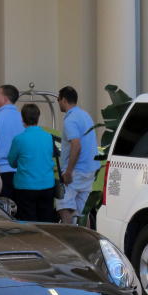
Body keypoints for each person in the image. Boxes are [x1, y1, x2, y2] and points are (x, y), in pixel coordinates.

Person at [56, 86, 100, 224]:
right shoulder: (85, 115)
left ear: (63, 100)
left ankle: (70, 239)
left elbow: (76, 145)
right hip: (90, 169)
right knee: (81, 212)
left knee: (63, 206)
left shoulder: (70, 119)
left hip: (77, 171)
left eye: (58, 99)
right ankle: (83, 239)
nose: (58, 102)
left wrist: (68, 171)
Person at [7, 104, 55, 222]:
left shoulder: (19, 139)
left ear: (22, 119)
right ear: (38, 117)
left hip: (25, 186)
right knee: (46, 221)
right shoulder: (48, 137)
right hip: (47, 185)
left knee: (28, 222)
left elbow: (12, 162)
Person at [0, 84, 24, 199]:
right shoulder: (23, 118)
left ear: (5, 99)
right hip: (22, 173)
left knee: (3, 211)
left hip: (1, 173)